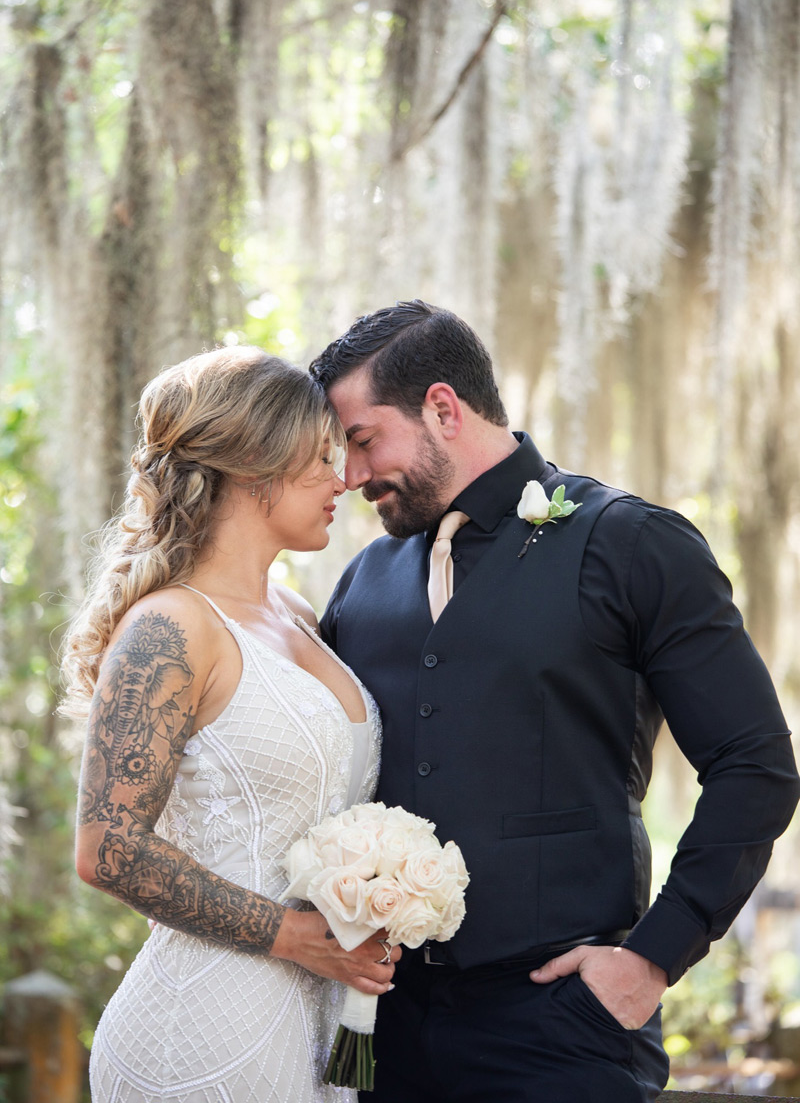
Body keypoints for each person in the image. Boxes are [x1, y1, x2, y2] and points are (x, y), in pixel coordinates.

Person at [309, 299, 800, 1103]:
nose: (353, 474)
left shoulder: (634, 543)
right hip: (382, 1036)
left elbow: (756, 765)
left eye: (364, 440)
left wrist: (651, 959)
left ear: (443, 408)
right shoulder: (363, 581)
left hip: (562, 1030)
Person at [61, 345, 400, 1103]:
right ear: (253, 466)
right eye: (318, 457)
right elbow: (106, 850)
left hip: (315, 1031)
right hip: (198, 1034)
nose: (341, 479)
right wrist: (295, 938)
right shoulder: (169, 628)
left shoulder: (300, 616)